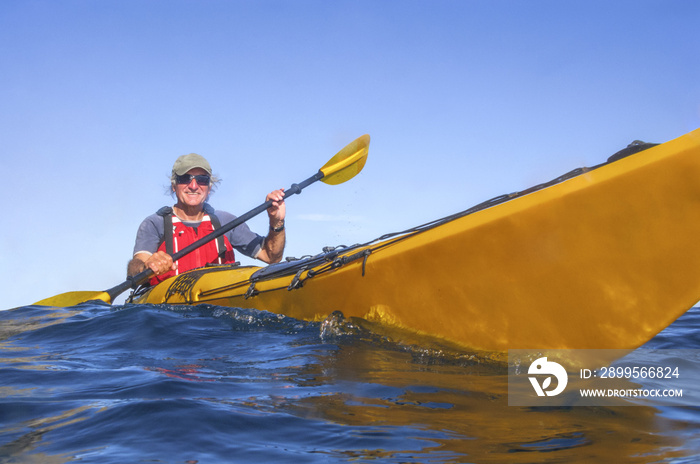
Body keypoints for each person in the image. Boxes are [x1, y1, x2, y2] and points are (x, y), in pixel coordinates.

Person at [127, 153, 286, 285]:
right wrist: (146, 266)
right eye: (185, 178)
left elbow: (271, 256)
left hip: (216, 310)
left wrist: (276, 221)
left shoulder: (226, 221)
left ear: (209, 188)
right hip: (168, 315)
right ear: (174, 185)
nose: (194, 186)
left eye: (202, 180)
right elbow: (135, 268)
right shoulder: (155, 223)